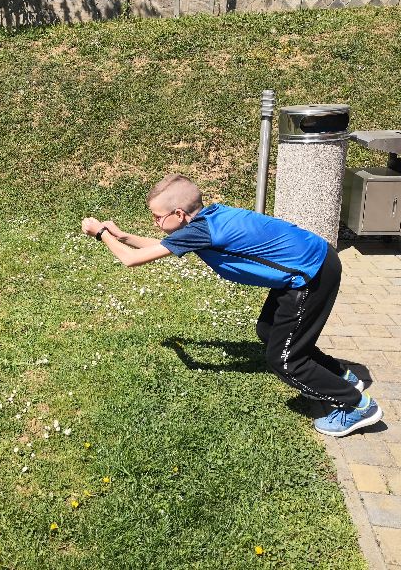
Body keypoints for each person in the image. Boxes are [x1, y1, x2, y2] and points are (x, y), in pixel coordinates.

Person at [81, 173, 383, 437]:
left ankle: (357, 406)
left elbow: (131, 260)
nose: (155, 222)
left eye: (158, 217)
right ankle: (341, 376)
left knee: (285, 361)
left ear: (179, 214)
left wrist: (102, 234)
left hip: (311, 276)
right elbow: (163, 247)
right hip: (313, 262)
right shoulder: (208, 219)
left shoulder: (201, 230)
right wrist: (123, 236)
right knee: (268, 331)